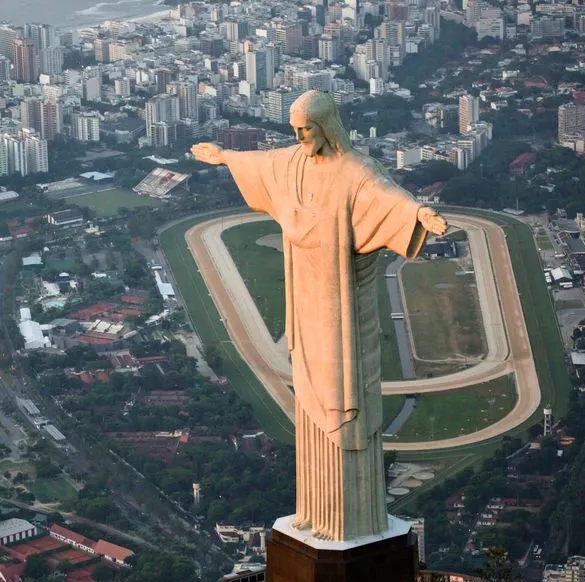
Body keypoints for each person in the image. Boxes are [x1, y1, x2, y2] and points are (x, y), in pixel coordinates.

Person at [191, 90, 447, 541]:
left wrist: (420, 212)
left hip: (341, 308)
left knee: (342, 400)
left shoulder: (354, 171)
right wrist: (224, 156)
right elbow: (261, 163)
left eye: (305, 129)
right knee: (310, 403)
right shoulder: (293, 163)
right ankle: (314, 513)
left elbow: (387, 197)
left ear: (326, 126)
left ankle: (351, 520)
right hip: (306, 301)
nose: (298, 137)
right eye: (294, 130)